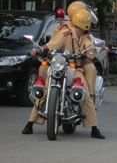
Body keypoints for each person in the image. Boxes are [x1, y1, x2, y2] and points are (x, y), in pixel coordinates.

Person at [22, 8, 105, 139]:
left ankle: (94, 128)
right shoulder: (65, 33)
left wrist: (87, 55)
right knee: (46, 90)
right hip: (60, 66)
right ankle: (30, 123)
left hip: (76, 69)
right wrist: (39, 49)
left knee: (84, 93)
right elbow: (52, 44)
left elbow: (89, 49)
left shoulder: (85, 36)